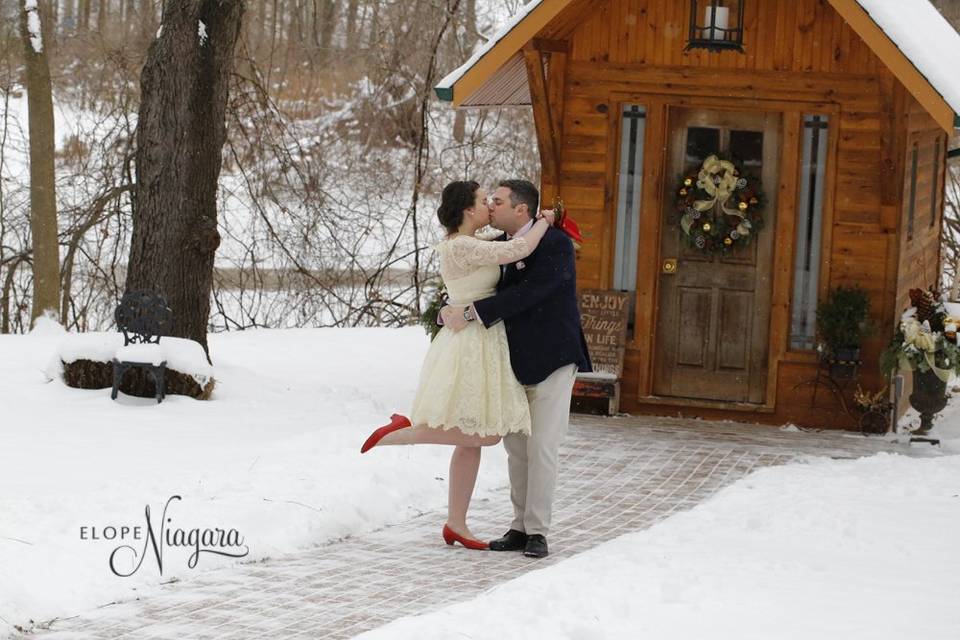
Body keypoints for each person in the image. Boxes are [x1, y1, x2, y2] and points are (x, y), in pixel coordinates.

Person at [360, 180, 556, 551]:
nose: (490, 207)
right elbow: (521, 247)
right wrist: (546, 220)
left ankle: (456, 523)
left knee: (471, 442)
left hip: (480, 337)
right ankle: (401, 432)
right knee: (484, 433)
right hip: (471, 342)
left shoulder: (473, 244)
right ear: (469, 210)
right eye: (485, 202)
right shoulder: (462, 244)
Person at [440, 179, 591, 559]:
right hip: (514, 360)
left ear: (521, 209)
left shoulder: (554, 243)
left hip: (553, 357)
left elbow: (531, 293)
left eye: (498, 201)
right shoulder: (498, 247)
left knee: (542, 446)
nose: (491, 206)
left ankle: (538, 531)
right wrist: (450, 308)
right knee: (517, 447)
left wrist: (472, 314)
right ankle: (519, 526)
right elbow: (478, 282)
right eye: (487, 200)